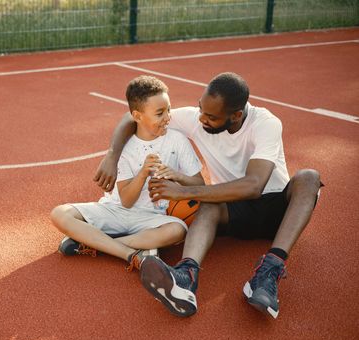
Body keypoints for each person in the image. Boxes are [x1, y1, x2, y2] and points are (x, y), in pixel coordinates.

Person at [93, 72, 322, 318]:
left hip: (277, 211)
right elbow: (132, 116)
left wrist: (184, 191)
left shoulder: (266, 123)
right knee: (210, 202)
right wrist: (111, 155)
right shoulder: (196, 118)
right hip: (234, 211)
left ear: (236, 115)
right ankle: (185, 276)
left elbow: (254, 185)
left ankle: (268, 273)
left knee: (309, 177)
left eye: (211, 116)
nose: (201, 118)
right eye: (201, 109)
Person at [51, 75, 204, 271]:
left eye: (168, 110)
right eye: (159, 113)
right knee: (60, 214)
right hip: (116, 210)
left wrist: (177, 176)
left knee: (177, 230)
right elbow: (127, 201)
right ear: (138, 116)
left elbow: (200, 185)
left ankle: (97, 243)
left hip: (151, 217)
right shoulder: (125, 145)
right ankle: (130, 253)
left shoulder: (177, 140)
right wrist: (143, 173)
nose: (167, 117)